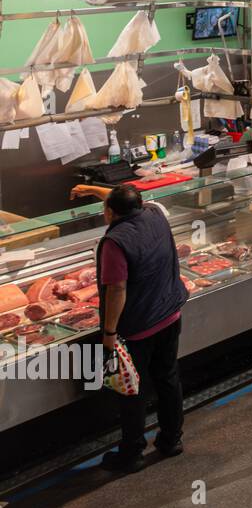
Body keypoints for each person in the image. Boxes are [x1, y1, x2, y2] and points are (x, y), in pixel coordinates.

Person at [71, 183, 188, 472]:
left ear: (110, 213)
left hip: (138, 327)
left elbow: (117, 290)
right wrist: (89, 189)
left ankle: (132, 452)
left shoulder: (115, 242)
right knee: (168, 377)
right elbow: (124, 196)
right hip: (170, 314)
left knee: (132, 391)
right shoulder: (154, 213)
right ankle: (171, 439)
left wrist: (109, 333)